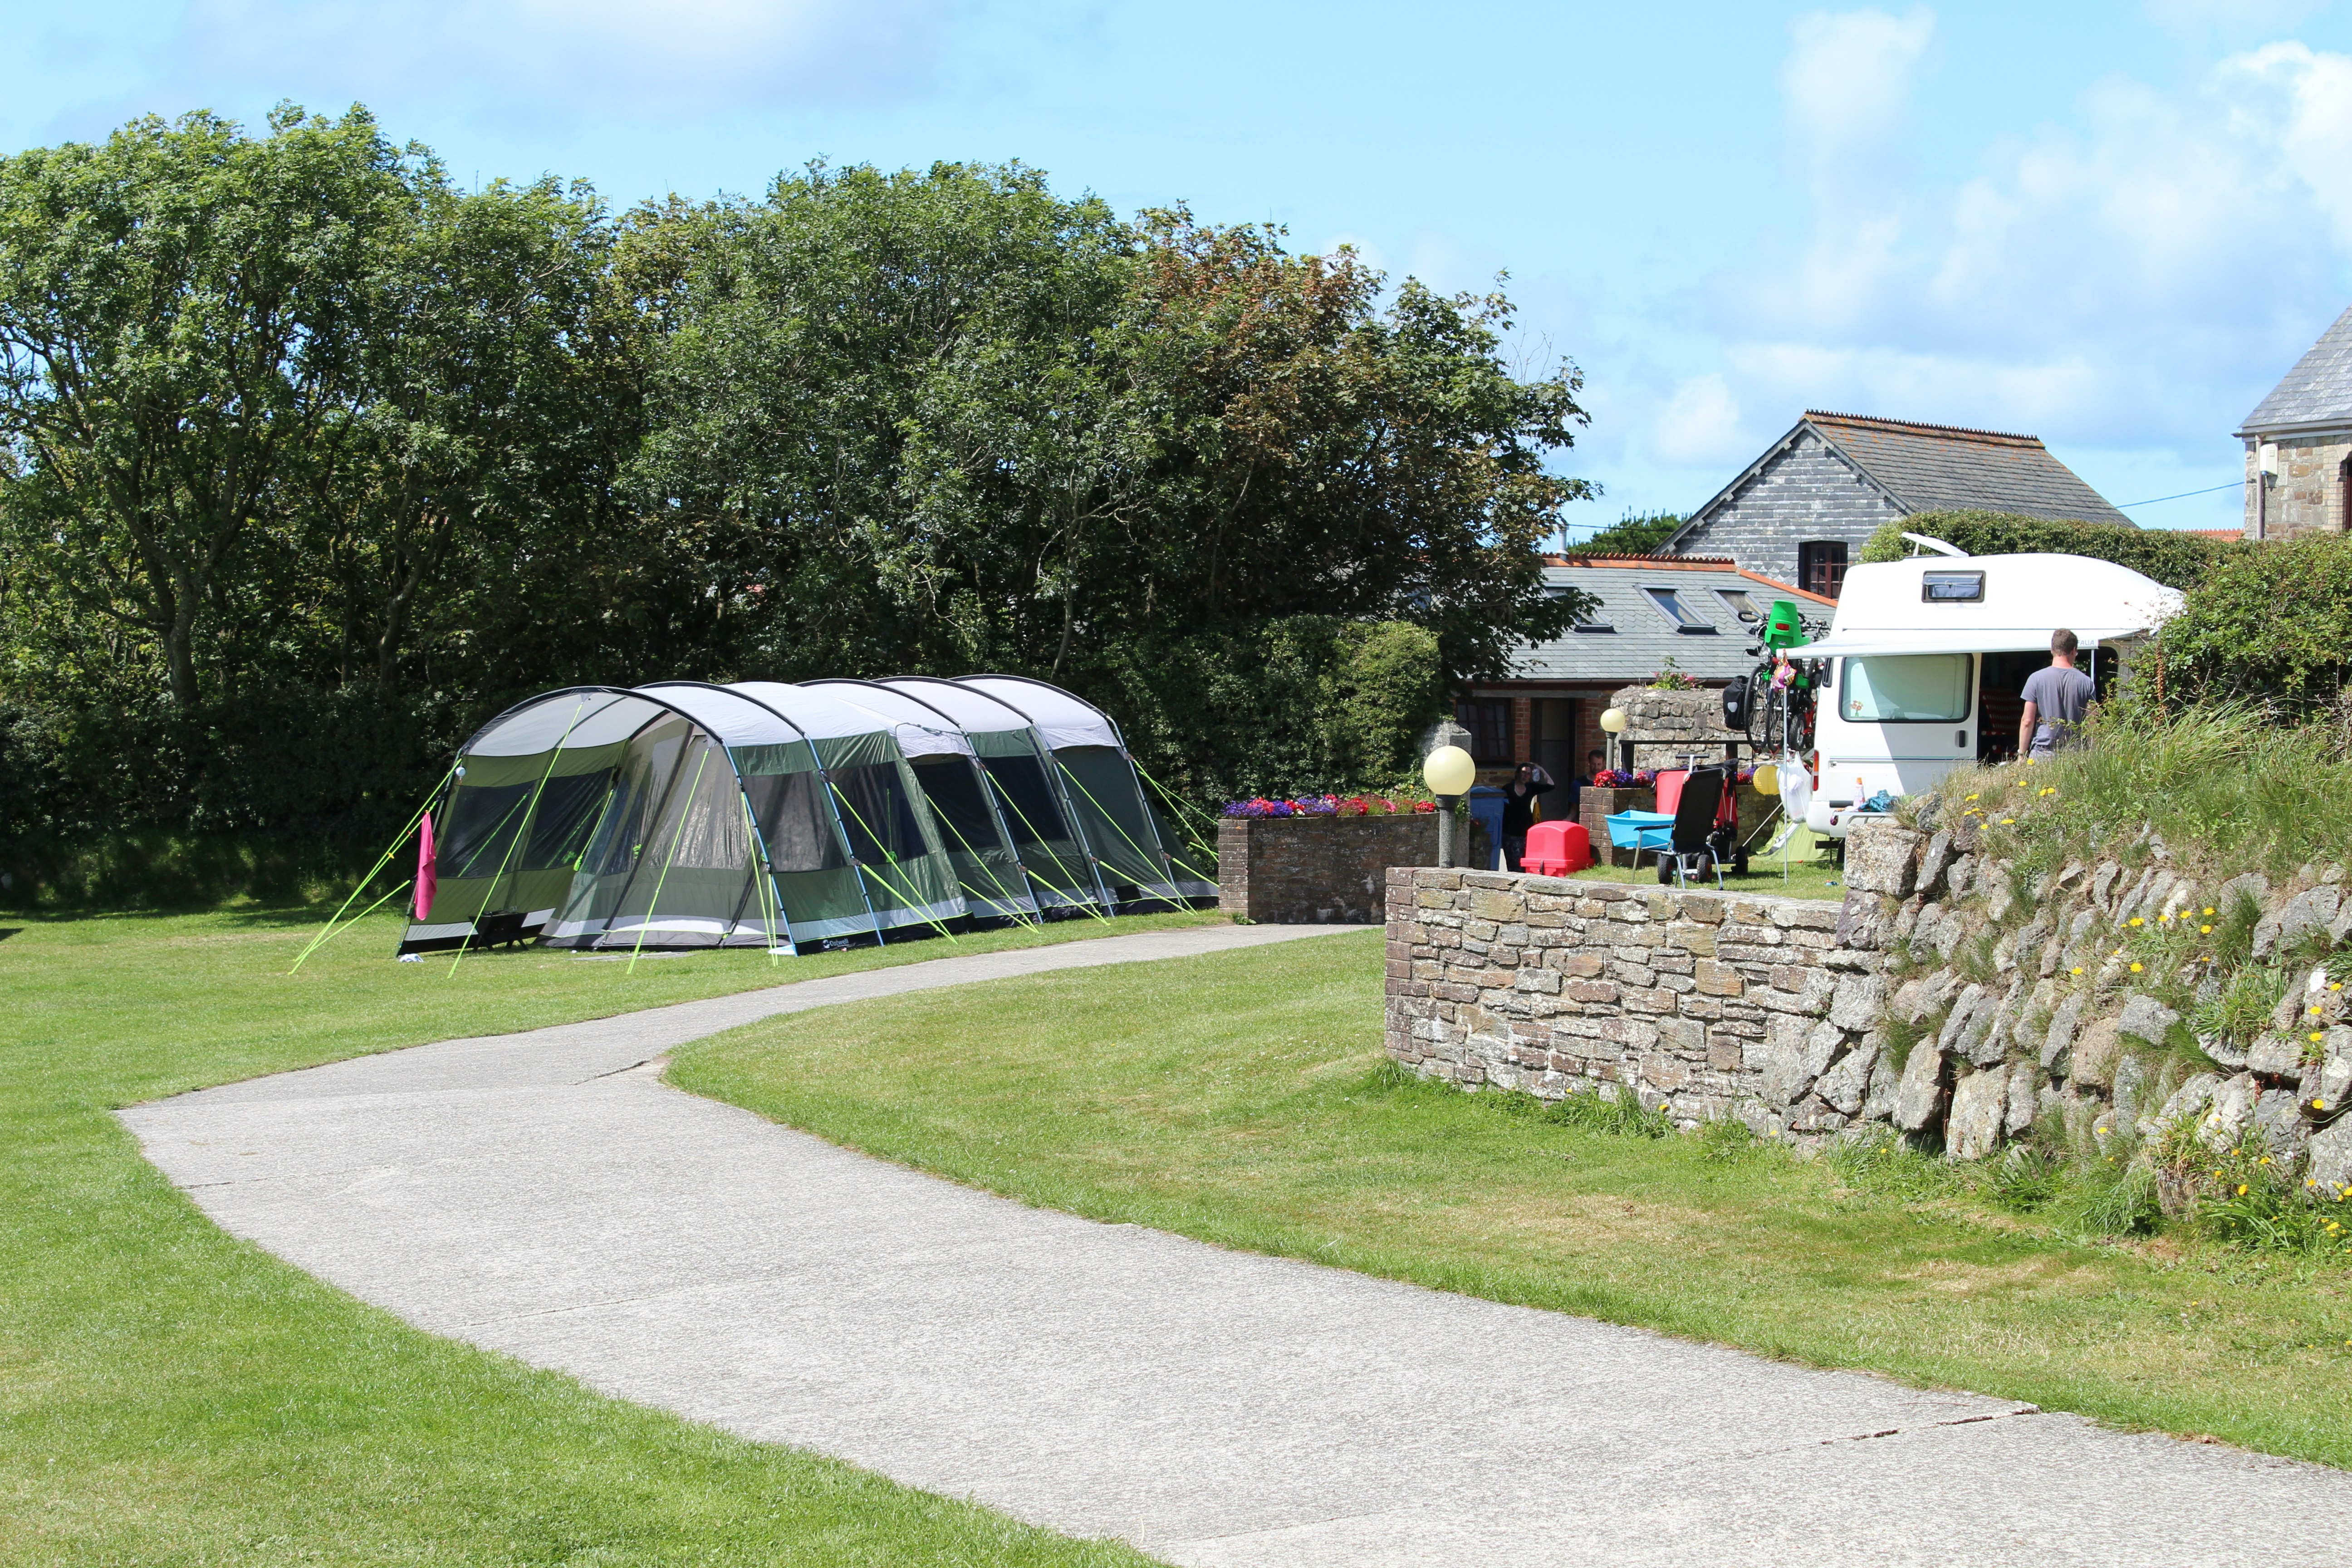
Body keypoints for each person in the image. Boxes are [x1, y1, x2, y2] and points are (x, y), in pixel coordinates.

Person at [2019, 629, 2096, 759]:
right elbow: (2092, 723)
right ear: (2074, 651)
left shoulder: (2036, 679)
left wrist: (2021, 755)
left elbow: (2027, 721)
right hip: (2073, 755)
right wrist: (2094, 754)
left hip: (2043, 755)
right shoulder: (2086, 682)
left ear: (2052, 650)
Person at [1500, 764, 1556, 872]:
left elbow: (1551, 785)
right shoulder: (1508, 788)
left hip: (1525, 830)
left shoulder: (1531, 788)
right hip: (1509, 831)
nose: (1526, 776)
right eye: (1524, 772)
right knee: (1512, 863)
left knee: (1524, 863)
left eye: (1529, 774)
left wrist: (1542, 769)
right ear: (1518, 773)